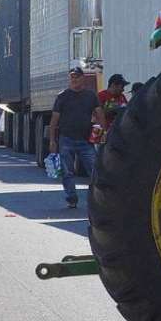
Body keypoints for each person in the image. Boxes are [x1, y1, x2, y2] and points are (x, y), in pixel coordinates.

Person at [49, 62, 102, 210]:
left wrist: (102, 132)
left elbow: (99, 114)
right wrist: (52, 141)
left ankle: (96, 199)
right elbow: (54, 121)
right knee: (67, 172)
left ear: (82, 78)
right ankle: (71, 198)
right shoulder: (62, 97)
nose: (74, 80)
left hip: (86, 140)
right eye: (72, 78)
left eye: (77, 77)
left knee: (95, 170)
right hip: (66, 139)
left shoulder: (90, 96)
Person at [94, 73, 129, 148]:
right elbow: (96, 115)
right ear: (113, 85)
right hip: (103, 133)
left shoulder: (122, 97)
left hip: (119, 133)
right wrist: (113, 110)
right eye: (122, 86)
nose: (123, 89)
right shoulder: (101, 96)